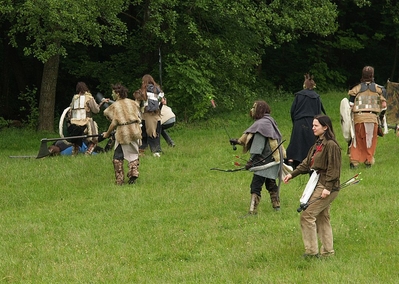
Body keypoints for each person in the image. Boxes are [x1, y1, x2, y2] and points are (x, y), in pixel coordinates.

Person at [283, 115, 341, 258]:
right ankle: (328, 252)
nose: (313, 128)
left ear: (325, 127)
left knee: (307, 215)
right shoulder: (317, 144)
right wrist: (292, 174)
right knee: (322, 217)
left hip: (328, 185)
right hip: (318, 183)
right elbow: (307, 162)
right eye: (313, 125)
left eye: (316, 125)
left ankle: (311, 252)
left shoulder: (331, 145)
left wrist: (327, 188)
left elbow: (334, 169)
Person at [230, 100, 285, 213]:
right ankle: (276, 206)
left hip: (263, 161)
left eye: (254, 108)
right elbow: (250, 136)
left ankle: (252, 211)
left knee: (255, 185)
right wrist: (237, 141)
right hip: (274, 159)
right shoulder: (269, 121)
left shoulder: (261, 125)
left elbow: (258, 146)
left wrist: (251, 161)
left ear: (259, 110)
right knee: (270, 182)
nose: (252, 110)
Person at [102, 83, 142, 185]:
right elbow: (139, 115)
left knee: (118, 157)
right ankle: (134, 171)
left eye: (113, 93)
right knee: (133, 153)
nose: (112, 95)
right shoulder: (133, 103)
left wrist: (107, 134)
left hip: (123, 133)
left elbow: (113, 122)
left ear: (117, 93)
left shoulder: (115, 106)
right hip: (135, 130)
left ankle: (119, 180)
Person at [348, 66, 387, 169]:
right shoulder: (379, 89)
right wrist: (382, 120)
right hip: (372, 119)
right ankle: (368, 161)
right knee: (370, 140)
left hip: (358, 119)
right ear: (372, 75)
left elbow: (350, 105)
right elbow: (384, 106)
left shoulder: (356, 88)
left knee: (357, 139)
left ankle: (354, 161)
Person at [286, 74, 326, 169]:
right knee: (310, 142)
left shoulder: (299, 96)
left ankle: (291, 161)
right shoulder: (316, 97)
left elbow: (293, 110)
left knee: (296, 140)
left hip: (299, 121)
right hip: (311, 121)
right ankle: (310, 160)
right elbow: (318, 112)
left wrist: (295, 121)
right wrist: (317, 123)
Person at [67, 82, 108, 155]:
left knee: (76, 140)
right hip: (85, 122)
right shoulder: (88, 97)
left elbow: (70, 112)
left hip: (74, 123)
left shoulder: (74, 98)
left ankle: (74, 154)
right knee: (94, 138)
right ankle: (88, 152)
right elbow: (96, 110)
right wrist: (102, 103)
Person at [133, 74, 163, 157]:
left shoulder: (144, 90)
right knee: (155, 132)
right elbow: (162, 102)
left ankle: (154, 151)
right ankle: (153, 149)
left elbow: (137, 96)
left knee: (150, 133)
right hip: (157, 115)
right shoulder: (158, 90)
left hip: (148, 115)